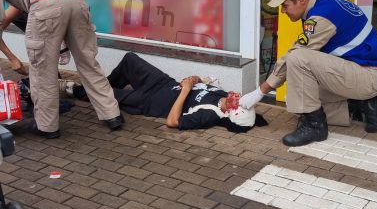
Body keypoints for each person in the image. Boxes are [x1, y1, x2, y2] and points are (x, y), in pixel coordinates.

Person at [240, 0, 377, 147]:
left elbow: (296, 54)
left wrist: (259, 92)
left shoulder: (321, 17)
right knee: (296, 98)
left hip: (368, 75)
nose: (283, 11)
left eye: (285, 6)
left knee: (298, 59)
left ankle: (316, 127)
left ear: (301, 0)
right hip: (365, 71)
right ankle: (363, 106)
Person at [0, 0, 123, 139]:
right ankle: (112, 115)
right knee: (88, 61)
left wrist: (11, 58)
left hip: (45, 3)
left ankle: (47, 127)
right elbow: (20, 3)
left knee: (43, 70)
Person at [64, 52, 268, 132]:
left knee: (104, 95)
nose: (237, 96)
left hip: (149, 101)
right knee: (130, 59)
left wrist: (185, 91)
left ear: (233, 112)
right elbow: (200, 82)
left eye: (237, 102)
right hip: (162, 83)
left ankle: (75, 90)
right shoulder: (220, 94)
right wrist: (194, 80)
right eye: (239, 97)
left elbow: (172, 122)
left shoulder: (209, 114)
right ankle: (104, 87)